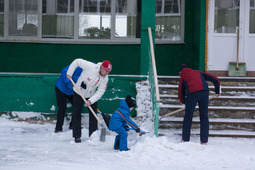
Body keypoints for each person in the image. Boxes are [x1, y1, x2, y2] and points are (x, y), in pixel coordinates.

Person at [66, 58, 112, 143]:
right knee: (76, 113)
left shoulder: (105, 79)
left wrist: (90, 101)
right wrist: (69, 73)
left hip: (91, 95)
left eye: (108, 72)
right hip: (78, 91)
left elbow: (100, 92)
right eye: (106, 71)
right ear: (102, 68)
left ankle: (93, 135)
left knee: (93, 115)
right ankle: (77, 136)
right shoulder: (91, 66)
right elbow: (77, 61)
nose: (106, 73)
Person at [178, 64, 221, 144]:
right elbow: (215, 79)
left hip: (192, 94)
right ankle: (204, 141)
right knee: (204, 116)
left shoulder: (183, 77)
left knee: (188, 117)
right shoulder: (198, 72)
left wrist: (185, 102)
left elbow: (181, 93)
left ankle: (185, 139)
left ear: (181, 72)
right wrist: (217, 91)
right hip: (204, 92)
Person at [54, 65, 82, 133]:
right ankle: (58, 128)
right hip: (61, 88)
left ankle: (73, 125)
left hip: (72, 91)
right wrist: (68, 83)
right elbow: (63, 71)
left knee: (77, 106)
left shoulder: (90, 75)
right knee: (62, 107)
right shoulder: (78, 67)